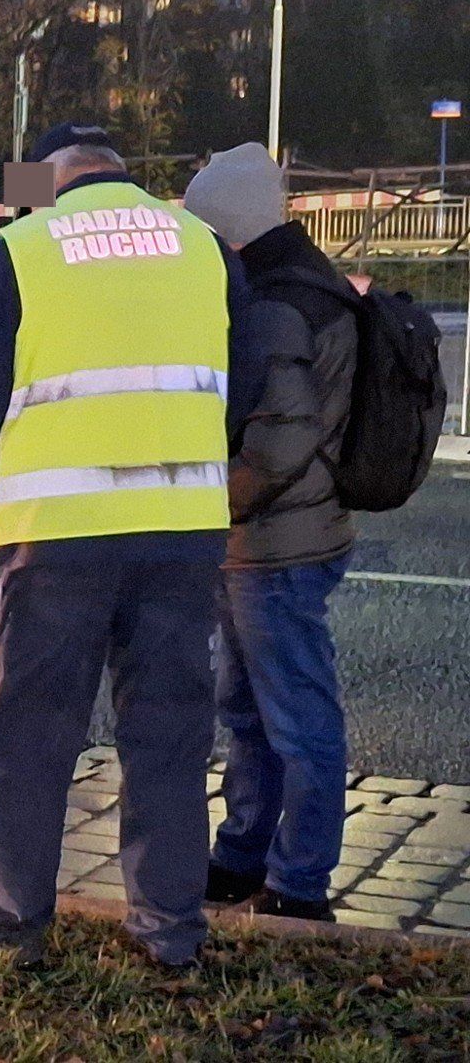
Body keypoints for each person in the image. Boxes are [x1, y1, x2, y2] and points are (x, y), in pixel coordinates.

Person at [0, 123, 262, 968]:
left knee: (33, 737)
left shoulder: (23, 246)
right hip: (183, 533)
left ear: (48, 179)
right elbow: (246, 384)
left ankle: (10, 930)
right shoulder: (204, 246)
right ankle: (169, 932)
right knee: (171, 735)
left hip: (57, 535)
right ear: (119, 171)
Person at [182, 143, 358, 922]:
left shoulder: (276, 303)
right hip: (276, 539)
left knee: (293, 717)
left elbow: (278, 442)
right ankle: (243, 854)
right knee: (253, 710)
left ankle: (299, 884)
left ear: (231, 230)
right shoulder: (302, 282)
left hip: (275, 544)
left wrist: (208, 503)